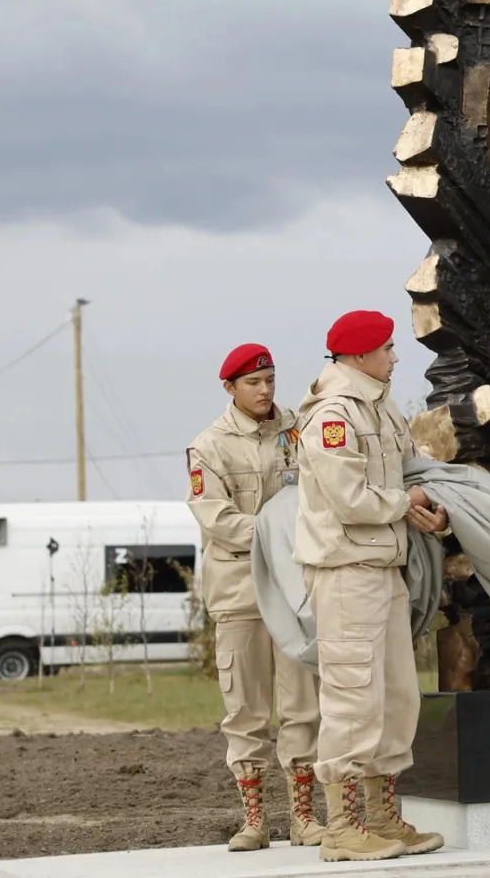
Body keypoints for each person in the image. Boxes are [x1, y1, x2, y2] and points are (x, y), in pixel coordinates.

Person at [295, 311, 449, 862]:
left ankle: (382, 818)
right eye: (387, 347)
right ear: (359, 355)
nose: (395, 356)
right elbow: (350, 499)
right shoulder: (332, 415)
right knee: (351, 698)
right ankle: (342, 829)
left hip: (382, 566)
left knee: (396, 696)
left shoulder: (376, 402)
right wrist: (404, 504)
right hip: (345, 571)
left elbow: (403, 470)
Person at [187, 343, 325, 851]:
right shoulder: (210, 446)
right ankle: (253, 821)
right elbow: (216, 518)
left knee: (302, 705)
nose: (265, 390)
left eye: (269, 380)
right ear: (230, 388)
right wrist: (277, 534)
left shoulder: (297, 429)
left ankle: (304, 817)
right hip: (240, 591)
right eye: (253, 383)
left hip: (293, 589)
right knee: (245, 710)